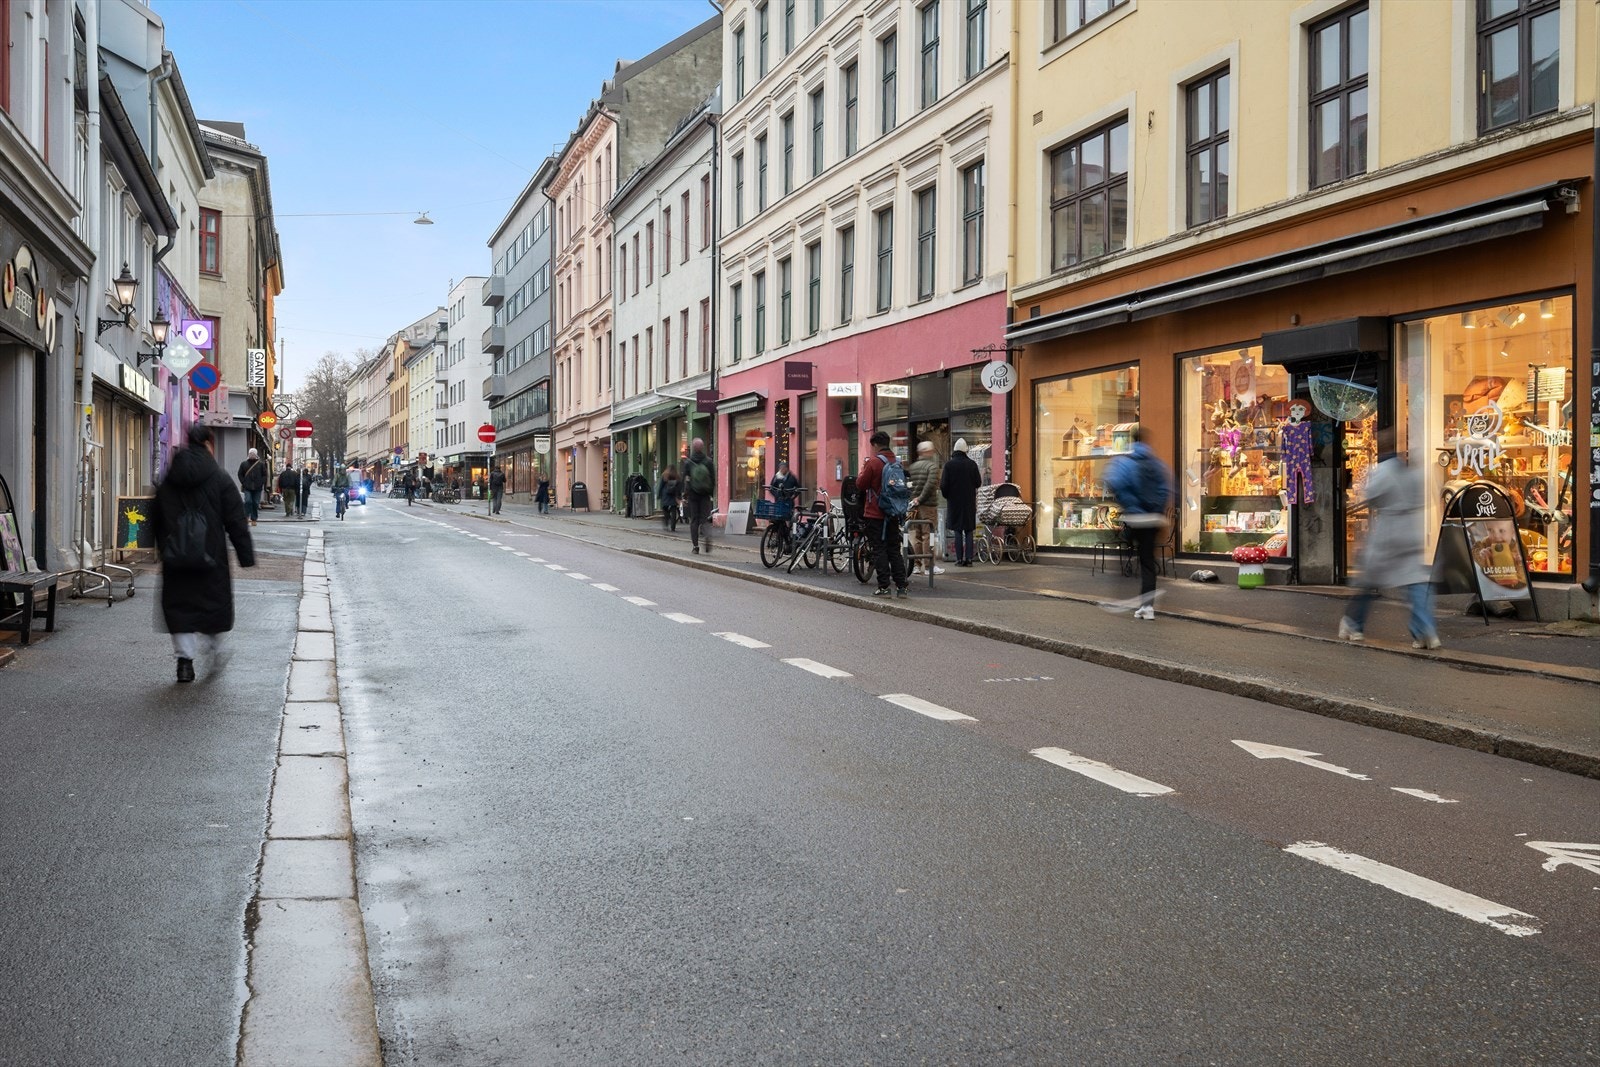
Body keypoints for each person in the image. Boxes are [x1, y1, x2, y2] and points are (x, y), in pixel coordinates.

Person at [149, 423, 256, 683]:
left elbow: (155, 517)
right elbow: (235, 519)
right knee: (213, 606)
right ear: (208, 443)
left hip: (176, 557)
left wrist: (161, 548)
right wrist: (245, 556)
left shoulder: (168, 479)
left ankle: (184, 663)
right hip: (211, 555)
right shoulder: (219, 478)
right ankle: (215, 649)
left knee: (180, 609)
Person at [1339, 428, 1441, 648]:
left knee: (1368, 580)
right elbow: (1422, 498)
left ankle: (1353, 624)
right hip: (1411, 530)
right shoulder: (1410, 472)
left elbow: (1372, 497)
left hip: (1388, 532)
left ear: (1379, 447)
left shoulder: (1382, 470)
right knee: (1415, 581)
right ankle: (1426, 630)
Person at [1104, 426, 1173, 620]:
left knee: (1124, 549)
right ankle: (1147, 607)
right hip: (1153, 519)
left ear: (1131, 441)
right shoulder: (1157, 463)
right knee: (1147, 561)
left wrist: (1128, 502)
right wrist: (1158, 508)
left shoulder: (1125, 462)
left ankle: (1121, 591)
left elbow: (1113, 482)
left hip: (1134, 517)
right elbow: (1167, 488)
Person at [858, 430, 908, 598]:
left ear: (876, 445)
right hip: (894, 511)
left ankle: (884, 586)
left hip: (875, 512)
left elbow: (861, 484)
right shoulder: (897, 461)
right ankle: (902, 587)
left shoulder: (873, 462)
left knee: (879, 549)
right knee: (894, 549)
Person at [939, 438, 982, 567]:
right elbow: (978, 483)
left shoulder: (949, 465)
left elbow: (943, 485)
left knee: (957, 530)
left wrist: (947, 496)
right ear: (965, 450)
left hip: (954, 502)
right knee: (969, 530)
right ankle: (969, 559)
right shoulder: (972, 464)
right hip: (968, 501)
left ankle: (958, 559)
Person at [907, 441, 944, 576]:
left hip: (914, 505)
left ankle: (916, 565)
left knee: (916, 535)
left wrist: (913, 500)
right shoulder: (932, 467)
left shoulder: (912, 467)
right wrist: (921, 499)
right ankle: (929, 566)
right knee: (928, 534)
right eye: (931, 450)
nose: (933, 453)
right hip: (928, 505)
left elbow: (908, 485)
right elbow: (930, 485)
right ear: (927, 452)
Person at [681, 437, 716, 554]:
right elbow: (713, 478)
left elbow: (685, 479)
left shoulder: (688, 462)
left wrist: (684, 495)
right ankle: (707, 537)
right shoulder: (708, 461)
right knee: (705, 519)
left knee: (694, 520)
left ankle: (695, 546)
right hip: (705, 494)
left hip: (693, 495)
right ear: (702, 448)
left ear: (693, 448)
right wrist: (711, 493)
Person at [237, 448, 267, 527]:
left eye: (253, 454)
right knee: (248, 501)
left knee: (255, 503)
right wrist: (243, 482)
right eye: (250, 454)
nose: (252, 455)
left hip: (257, 488)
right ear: (248, 454)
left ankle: (254, 519)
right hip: (247, 487)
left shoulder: (261, 464)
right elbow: (240, 474)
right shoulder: (244, 464)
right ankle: (246, 517)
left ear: (256, 455)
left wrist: (261, 483)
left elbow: (265, 475)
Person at [657, 466, 681, 532]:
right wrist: (679, 497)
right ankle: (673, 527)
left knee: (665, 511)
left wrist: (659, 495)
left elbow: (661, 486)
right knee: (674, 512)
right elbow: (679, 487)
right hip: (673, 496)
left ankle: (666, 523)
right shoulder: (677, 477)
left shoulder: (665, 475)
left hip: (665, 495)